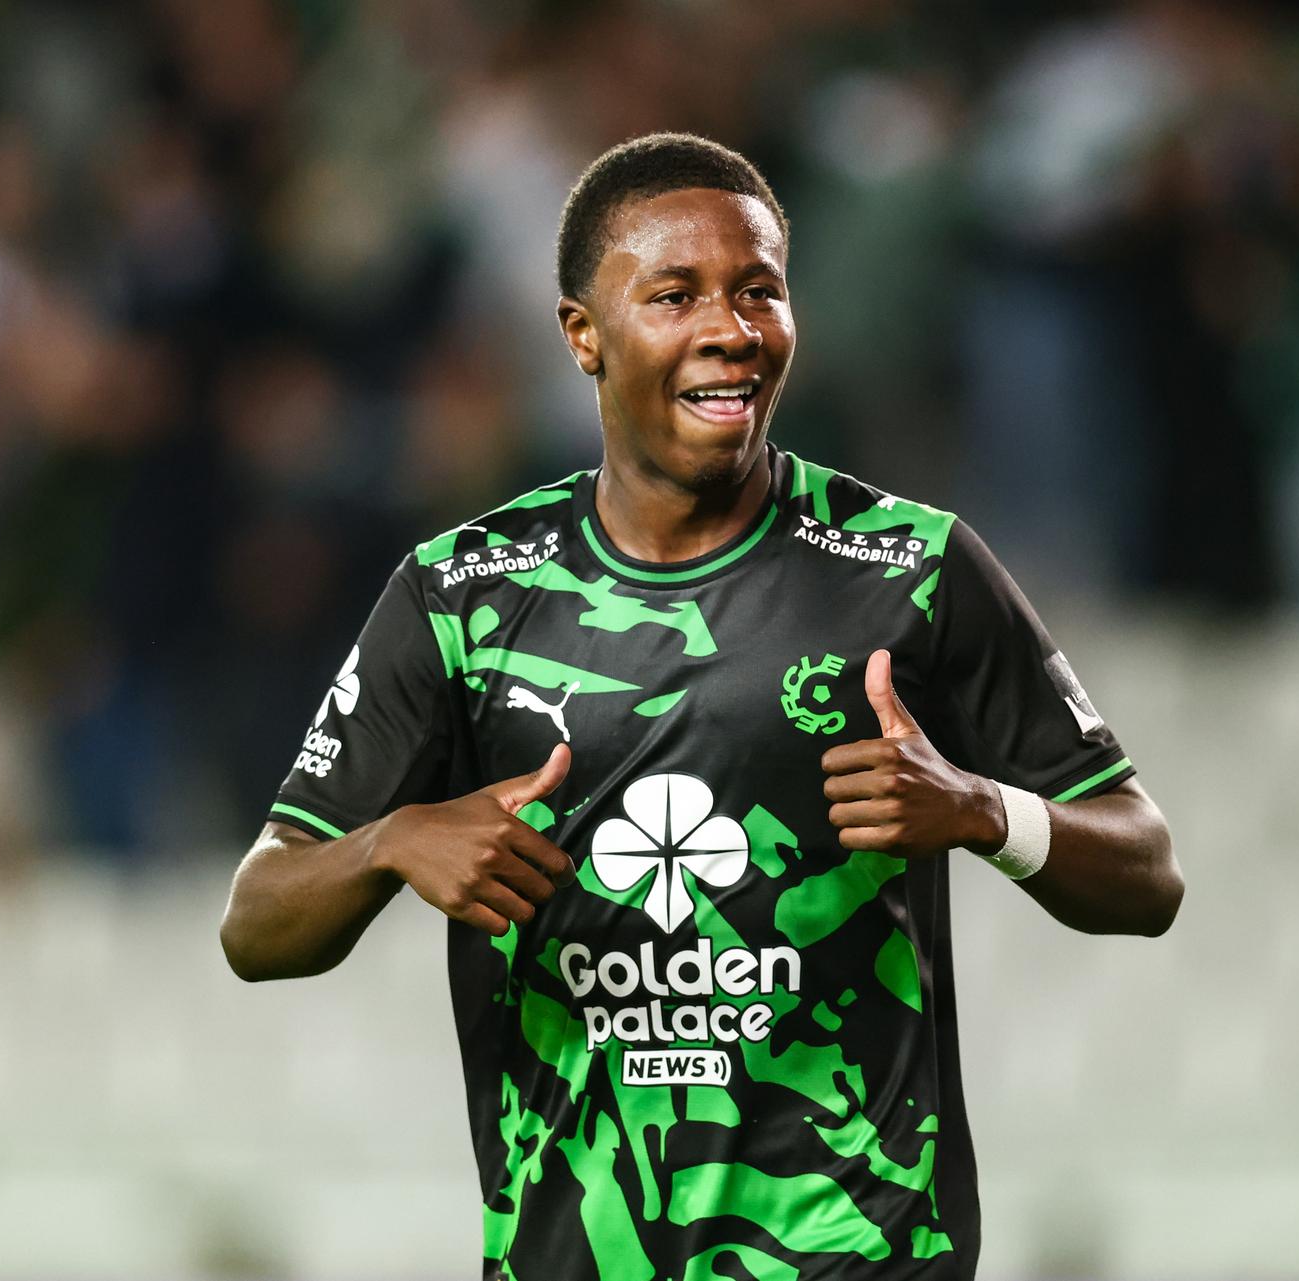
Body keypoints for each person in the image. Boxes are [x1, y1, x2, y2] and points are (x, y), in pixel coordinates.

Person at [219, 132, 1182, 1279]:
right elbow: (257, 923)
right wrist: (392, 843)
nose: (732, 330)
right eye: (675, 295)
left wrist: (983, 811)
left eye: (759, 292)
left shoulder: (911, 569)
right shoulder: (461, 595)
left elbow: (1147, 871)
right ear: (583, 333)